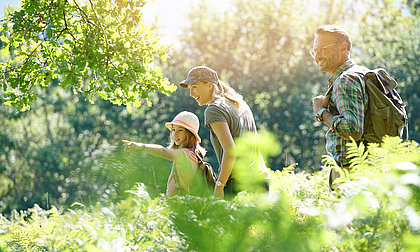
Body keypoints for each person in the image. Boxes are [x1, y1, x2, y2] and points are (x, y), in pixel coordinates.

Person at [179, 66, 269, 199]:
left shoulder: (214, 110)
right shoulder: (237, 103)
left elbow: (230, 151)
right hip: (261, 180)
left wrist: (220, 185)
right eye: (189, 88)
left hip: (238, 185)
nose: (191, 93)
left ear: (209, 85)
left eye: (194, 87)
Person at [310, 25, 368, 190]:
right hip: (366, 168)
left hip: (350, 175)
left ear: (343, 48)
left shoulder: (345, 80)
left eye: (322, 50)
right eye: (314, 51)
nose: (317, 56)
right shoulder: (361, 73)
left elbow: (353, 129)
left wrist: (321, 112)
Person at [122, 111, 207, 197]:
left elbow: (163, 152)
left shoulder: (186, 154)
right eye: (173, 130)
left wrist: (142, 146)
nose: (175, 134)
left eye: (180, 130)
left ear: (190, 134)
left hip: (180, 206)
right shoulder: (190, 154)